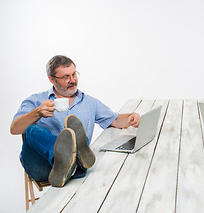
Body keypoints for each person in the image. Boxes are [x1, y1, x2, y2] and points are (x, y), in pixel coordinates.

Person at [10, 55, 140, 187]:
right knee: (32, 130)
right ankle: (68, 159)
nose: (72, 80)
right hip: (42, 166)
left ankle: (73, 164)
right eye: (66, 77)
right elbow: (14, 128)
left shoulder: (90, 102)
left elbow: (116, 120)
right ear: (51, 79)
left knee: (76, 138)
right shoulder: (36, 100)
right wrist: (37, 113)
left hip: (70, 171)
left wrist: (131, 117)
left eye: (74, 74)